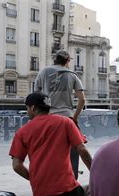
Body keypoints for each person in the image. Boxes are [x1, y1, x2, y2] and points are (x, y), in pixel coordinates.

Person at [9, 93, 92, 196]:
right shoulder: (65, 122)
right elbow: (82, 150)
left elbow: (17, 165)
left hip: (43, 195)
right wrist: (95, 174)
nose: (27, 111)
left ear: (33, 108)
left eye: (27, 108)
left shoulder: (22, 132)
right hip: (69, 190)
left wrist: (35, 178)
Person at [34, 49, 86, 180]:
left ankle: (49, 177)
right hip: (66, 117)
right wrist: (74, 117)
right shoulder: (73, 75)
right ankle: (72, 178)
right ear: (68, 61)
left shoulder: (44, 72)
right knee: (73, 149)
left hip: (48, 117)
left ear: (54, 59)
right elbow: (82, 99)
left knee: (48, 150)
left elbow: (36, 95)